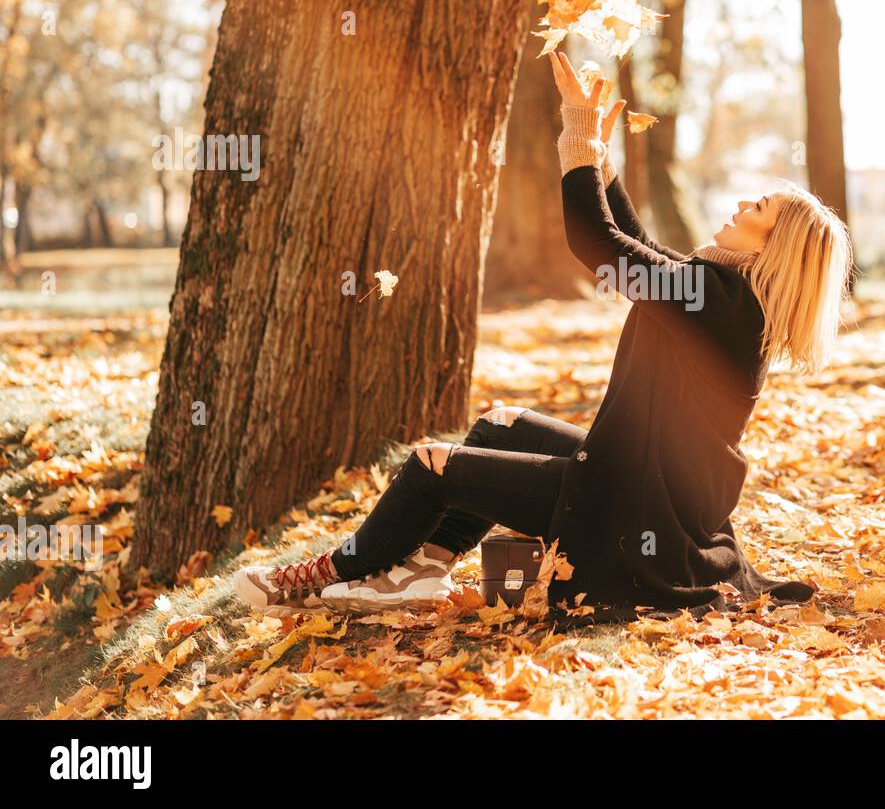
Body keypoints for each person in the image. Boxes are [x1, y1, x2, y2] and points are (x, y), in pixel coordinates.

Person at [235, 50, 853, 619]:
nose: (744, 204)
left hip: (626, 510)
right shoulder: (721, 298)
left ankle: (325, 573)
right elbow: (639, 250)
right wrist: (600, 163)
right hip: (629, 480)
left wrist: (579, 141)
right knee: (499, 424)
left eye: (760, 210)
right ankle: (421, 572)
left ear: (775, 249)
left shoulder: (721, 303)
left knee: (429, 465)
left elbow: (600, 247)